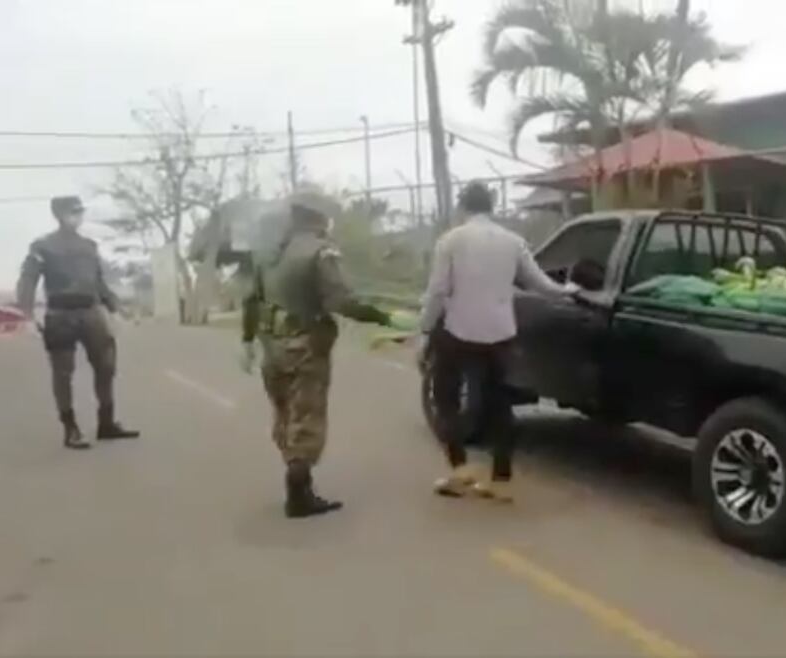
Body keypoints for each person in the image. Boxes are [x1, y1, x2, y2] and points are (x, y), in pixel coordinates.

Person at [240, 191, 403, 519]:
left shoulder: (269, 253)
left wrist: (247, 341)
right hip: (305, 347)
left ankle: (300, 484)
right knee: (307, 417)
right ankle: (298, 494)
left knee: (285, 416)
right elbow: (342, 302)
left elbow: (250, 301)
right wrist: (383, 318)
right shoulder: (321, 252)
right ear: (318, 217)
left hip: (272, 347)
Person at [420, 181, 577, 502]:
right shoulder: (513, 241)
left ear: (463, 207)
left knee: (446, 398)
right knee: (499, 405)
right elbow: (540, 284)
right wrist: (569, 291)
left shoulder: (450, 240)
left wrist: (424, 328)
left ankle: (459, 469)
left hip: (457, 332)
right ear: (491, 207)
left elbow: (438, 291)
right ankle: (501, 477)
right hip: (500, 334)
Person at [16, 196, 139, 450]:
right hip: (60, 315)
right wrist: (27, 315)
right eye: (73, 212)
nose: (78, 216)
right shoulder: (42, 246)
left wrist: (117, 308)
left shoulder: (89, 246)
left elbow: (99, 283)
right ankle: (70, 428)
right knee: (63, 373)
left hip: (91, 312)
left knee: (106, 367)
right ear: (59, 215)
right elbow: (27, 281)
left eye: (80, 212)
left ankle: (106, 423)